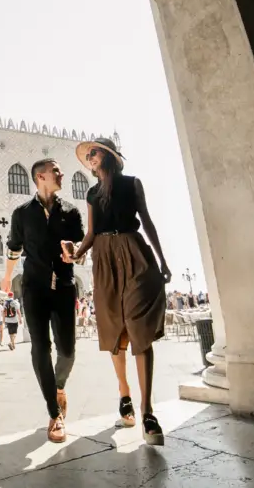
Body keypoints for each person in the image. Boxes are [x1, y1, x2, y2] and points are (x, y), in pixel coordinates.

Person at [70, 138, 172, 446]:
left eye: (94, 151)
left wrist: (163, 259)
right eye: (87, 155)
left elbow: (148, 221)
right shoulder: (90, 193)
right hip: (103, 258)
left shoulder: (132, 184)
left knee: (140, 330)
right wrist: (77, 253)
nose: (90, 157)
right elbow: (90, 233)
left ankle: (148, 411)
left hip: (134, 251)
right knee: (115, 329)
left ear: (109, 156)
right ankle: (124, 393)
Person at [2, 158, 84, 444]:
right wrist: (6, 278)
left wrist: (74, 253)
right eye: (56, 171)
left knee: (68, 350)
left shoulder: (71, 213)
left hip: (63, 286)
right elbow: (14, 248)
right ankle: (54, 413)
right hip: (34, 288)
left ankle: (59, 386)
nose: (62, 174)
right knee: (40, 346)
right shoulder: (22, 214)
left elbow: (81, 249)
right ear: (40, 177)